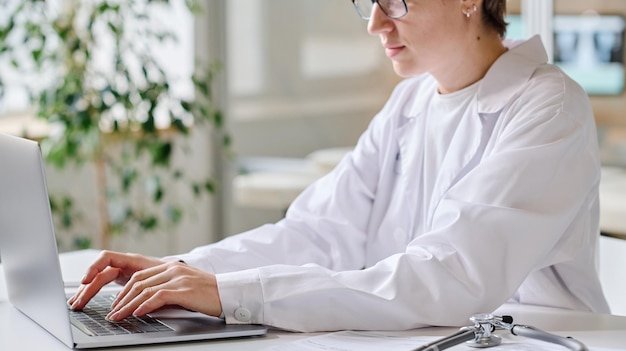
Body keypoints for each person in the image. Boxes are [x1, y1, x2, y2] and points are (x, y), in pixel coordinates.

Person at [68, 0, 610, 332]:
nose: (375, 23)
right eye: (369, 0)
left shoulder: (548, 107)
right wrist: (184, 270)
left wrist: (233, 293)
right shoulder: (412, 101)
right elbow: (320, 232)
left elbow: (450, 276)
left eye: (396, 1)